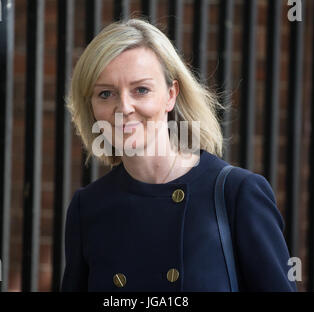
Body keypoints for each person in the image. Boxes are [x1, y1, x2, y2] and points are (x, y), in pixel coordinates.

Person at [61, 18, 297, 292]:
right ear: (91, 107)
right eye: (106, 94)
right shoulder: (88, 207)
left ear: (170, 95)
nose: (123, 107)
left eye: (141, 90)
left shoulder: (237, 193)